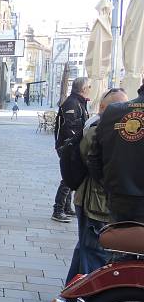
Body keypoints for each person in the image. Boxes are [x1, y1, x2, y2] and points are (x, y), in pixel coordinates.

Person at [66, 88, 129, 282]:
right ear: (104, 107)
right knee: (93, 249)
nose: (123, 110)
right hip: (94, 199)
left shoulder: (106, 127)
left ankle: (72, 288)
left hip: (90, 197)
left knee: (86, 245)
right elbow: (91, 159)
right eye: (118, 106)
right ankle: (88, 296)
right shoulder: (98, 129)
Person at [88, 78, 144, 223]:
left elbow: (94, 157)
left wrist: (107, 185)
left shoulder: (113, 111)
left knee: (120, 242)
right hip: (119, 195)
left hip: (119, 198)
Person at [52, 77, 91, 223]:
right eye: (89, 87)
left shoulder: (78, 102)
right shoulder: (73, 103)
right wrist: (75, 145)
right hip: (68, 146)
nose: (91, 89)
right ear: (83, 89)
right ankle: (58, 209)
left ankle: (66, 207)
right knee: (68, 178)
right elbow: (70, 128)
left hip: (69, 145)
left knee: (70, 176)